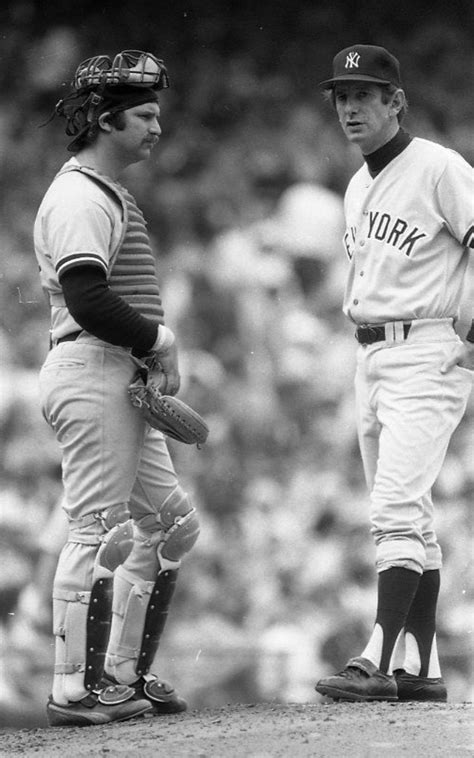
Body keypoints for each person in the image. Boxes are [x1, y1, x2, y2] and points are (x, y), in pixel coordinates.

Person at [34, 50, 200, 726]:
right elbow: (88, 295)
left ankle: (122, 676)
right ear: (107, 120)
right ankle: (72, 688)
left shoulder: (105, 191)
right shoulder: (78, 194)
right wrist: (159, 341)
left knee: (171, 523)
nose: (158, 126)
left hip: (115, 374)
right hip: (92, 364)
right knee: (96, 529)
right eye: (146, 114)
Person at [315, 44, 473, 703]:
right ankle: (422, 668)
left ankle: (377, 657)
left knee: (393, 509)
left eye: (364, 95)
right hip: (371, 351)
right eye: (342, 96)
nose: (350, 107)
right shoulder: (356, 186)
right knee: (412, 512)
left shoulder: (438, 166)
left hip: (428, 345)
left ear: (395, 101)